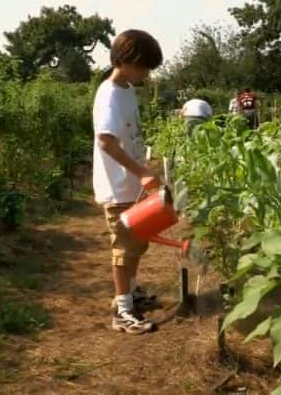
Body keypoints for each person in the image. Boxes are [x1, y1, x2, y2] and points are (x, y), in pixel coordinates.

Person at [93, 29, 164, 335]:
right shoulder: (109, 94)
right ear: (128, 61)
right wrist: (141, 173)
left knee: (137, 244)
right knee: (123, 249)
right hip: (118, 186)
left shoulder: (127, 89)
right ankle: (122, 311)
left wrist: (144, 168)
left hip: (132, 185)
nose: (146, 74)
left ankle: (132, 291)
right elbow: (106, 142)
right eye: (144, 67)